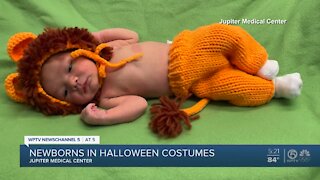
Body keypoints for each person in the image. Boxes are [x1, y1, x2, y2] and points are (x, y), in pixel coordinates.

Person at [5, 24, 302, 137]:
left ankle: (259, 62)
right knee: (235, 89)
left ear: (78, 48)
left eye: (71, 67)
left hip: (185, 51)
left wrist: (97, 36)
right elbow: (135, 104)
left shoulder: (110, 50)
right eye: (66, 91)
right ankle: (276, 87)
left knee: (226, 35)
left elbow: (132, 35)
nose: (76, 82)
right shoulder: (106, 96)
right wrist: (103, 118)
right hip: (187, 85)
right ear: (62, 104)